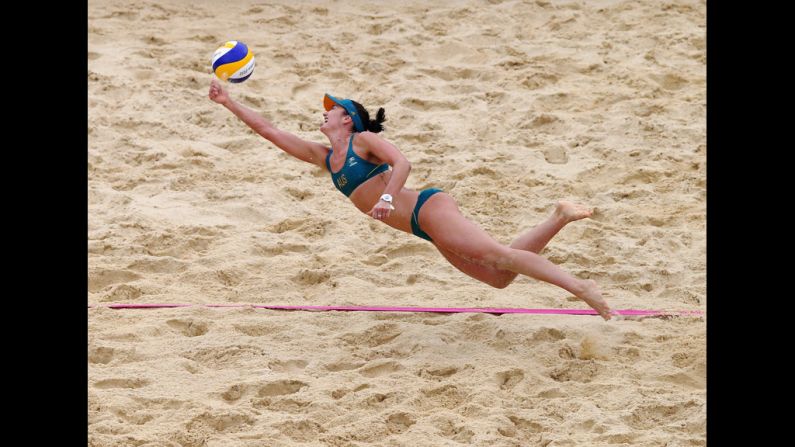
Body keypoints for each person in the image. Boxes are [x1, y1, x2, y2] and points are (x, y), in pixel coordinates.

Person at [208, 79, 613, 320]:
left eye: (332, 111)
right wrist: (228, 102)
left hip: (426, 208)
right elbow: (269, 130)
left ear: (347, 119)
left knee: (497, 257)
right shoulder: (323, 156)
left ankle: (581, 287)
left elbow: (403, 162)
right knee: (498, 277)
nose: (325, 115)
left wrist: (386, 196)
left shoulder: (362, 141)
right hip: (421, 227)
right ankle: (558, 216)